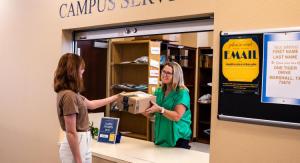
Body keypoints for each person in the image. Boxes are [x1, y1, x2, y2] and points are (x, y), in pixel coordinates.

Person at [54, 53, 120, 163]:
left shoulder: (72, 94)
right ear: (73, 71)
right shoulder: (69, 96)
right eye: (81, 69)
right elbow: (71, 132)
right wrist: (78, 159)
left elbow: (91, 104)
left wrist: (116, 97)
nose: (83, 72)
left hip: (82, 141)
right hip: (77, 142)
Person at [144, 62, 192, 149]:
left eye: (168, 73)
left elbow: (177, 116)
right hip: (161, 137)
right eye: (163, 72)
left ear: (176, 76)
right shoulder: (159, 91)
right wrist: (136, 108)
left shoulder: (182, 93)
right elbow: (151, 114)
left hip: (178, 139)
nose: (164, 75)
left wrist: (160, 110)